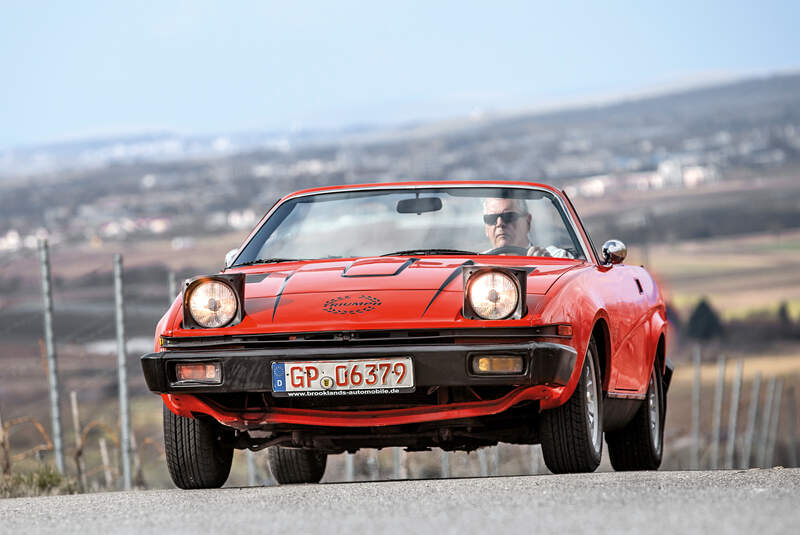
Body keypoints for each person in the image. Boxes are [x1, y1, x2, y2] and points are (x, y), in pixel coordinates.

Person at [482, 197, 572, 257]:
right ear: (486, 227)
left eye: (509, 216)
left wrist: (549, 266)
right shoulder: (475, 264)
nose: (500, 223)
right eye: (491, 218)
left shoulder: (556, 257)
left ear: (527, 222)